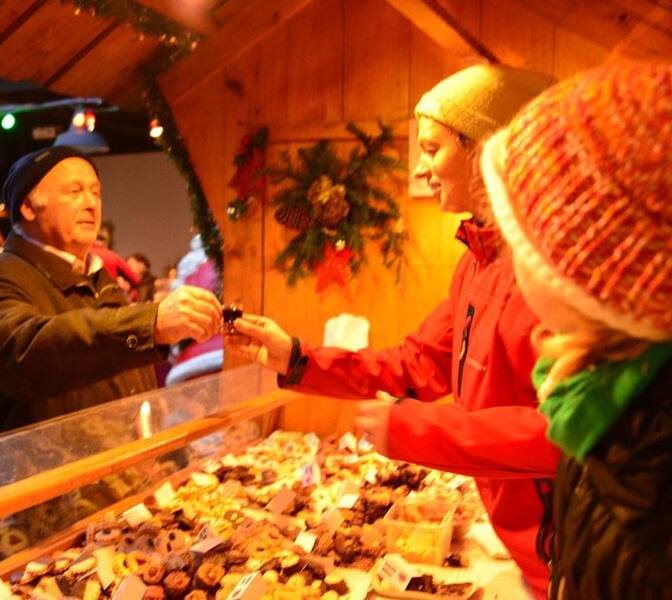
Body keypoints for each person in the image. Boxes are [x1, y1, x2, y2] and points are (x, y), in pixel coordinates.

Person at [226, 64, 559, 597]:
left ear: (486, 150)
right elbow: (418, 364)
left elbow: (562, 432)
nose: (422, 167)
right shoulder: (474, 264)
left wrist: (418, 429)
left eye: (432, 149)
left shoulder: (549, 271)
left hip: (574, 549)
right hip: (529, 550)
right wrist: (297, 358)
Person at [480, 63, 672, 600]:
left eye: (517, 239)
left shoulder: (644, 513)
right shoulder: (605, 401)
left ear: (581, 276)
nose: (508, 257)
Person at [0, 146, 222, 440]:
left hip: (112, 463)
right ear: (28, 207)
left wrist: (162, 453)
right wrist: (148, 324)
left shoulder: (99, 277)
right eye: (74, 192)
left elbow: (127, 376)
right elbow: (19, 354)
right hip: (40, 467)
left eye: (96, 193)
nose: (91, 204)